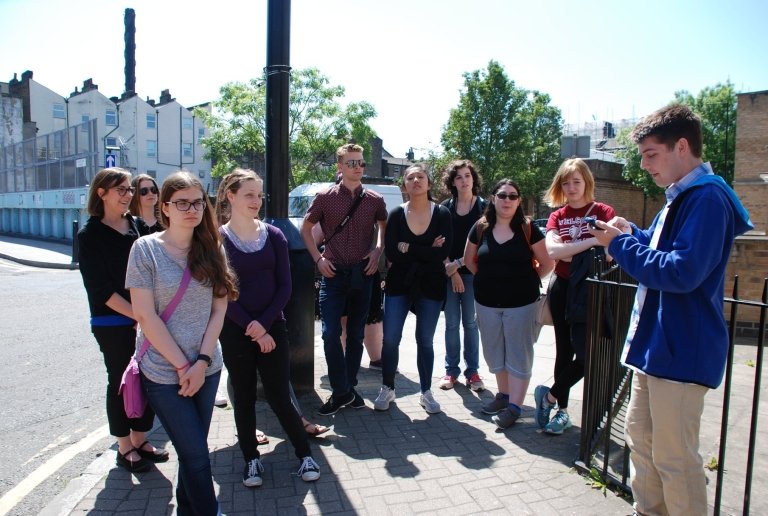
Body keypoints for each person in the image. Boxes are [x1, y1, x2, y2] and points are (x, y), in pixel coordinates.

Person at [590, 104, 752, 516]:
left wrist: (619, 245)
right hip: (659, 350)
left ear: (682, 146)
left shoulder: (708, 199)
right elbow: (667, 254)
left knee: (675, 459)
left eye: (650, 154)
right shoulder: (683, 197)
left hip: (681, 352)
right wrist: (634, 234)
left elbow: (682, 272)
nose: (643, 165)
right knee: (640, 440)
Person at [127, 171, 238, 516]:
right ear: (165, 207)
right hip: (163, 372)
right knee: (196, 455)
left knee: (193, 451)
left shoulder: (212, 247)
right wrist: (182, 366)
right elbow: (146, 315)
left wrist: (202, 361)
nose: (191, 209)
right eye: (182, 203)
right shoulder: (145, 250)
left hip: (207, 369)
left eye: (197, 203)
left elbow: (219, 308)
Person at [215, 168, 322, 487]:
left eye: (259, 194)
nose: (256, 201)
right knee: (244, 396)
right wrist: (251, 326)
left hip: (272, 327)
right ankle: (251, 460)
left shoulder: (273, 236)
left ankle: (304, 456)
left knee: (279, 395)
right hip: (235, 329)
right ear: (230, 196)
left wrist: (262, 326)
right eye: (249, 194)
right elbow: (222, 290)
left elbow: (284, 288)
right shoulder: (217, 239)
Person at [78, 167, 167, 473]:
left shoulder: (137, 226)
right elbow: (102, 291)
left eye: (130, 189)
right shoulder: (89, 235)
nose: (128, 195)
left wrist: (148, 316)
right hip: (113, 323)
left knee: (150, 378)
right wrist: (141, 316)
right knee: (121, 380)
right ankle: (124, 446)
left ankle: (140, 439)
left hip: (145, 319)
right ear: (101, 192)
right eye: (122, 190)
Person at [301, 143, 387, 416]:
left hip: (363, 274)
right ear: (340, 167)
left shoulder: (374, 199)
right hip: (334, 273)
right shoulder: (325, 197)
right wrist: (318, 259)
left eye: (360, 162)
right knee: (329, 334)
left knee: (356, 335)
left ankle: (348, 389)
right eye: (351, 163)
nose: (358, 167)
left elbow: (384, 226)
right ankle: (342, 391)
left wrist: (378, 250)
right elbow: (305, 229)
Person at [533, 158, 616, 435]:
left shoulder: (603, 211)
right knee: (563, 351)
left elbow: (610, 251)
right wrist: (593, 240)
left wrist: (575, 247)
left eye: (576, 181)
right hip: (562, 287)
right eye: (566, 182)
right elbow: (555, 252)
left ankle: (549, 396)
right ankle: (562, 412)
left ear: (587, 182)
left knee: (586, 353)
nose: (571, 187)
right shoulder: (558, 215)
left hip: (588, 288)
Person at [464, 180, 554, 428]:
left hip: (522, 304)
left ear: (519, 200)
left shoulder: (528, 229)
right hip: (486, 303)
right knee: (495, 351)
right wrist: (487, 279)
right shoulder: (480, 227)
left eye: (512, 196)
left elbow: (547, 264)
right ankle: (503, 396)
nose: (507, 200)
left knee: (518, 353)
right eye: (502, 195)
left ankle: (515, 406)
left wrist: (524, 281)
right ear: (493, 198)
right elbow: (469, 260)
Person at [373, 164, 452, 414]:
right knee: (391, 339)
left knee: (425, 341)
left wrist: (410, 247)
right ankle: (388, 387)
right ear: (404, 185)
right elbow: (393, 251)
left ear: (428, 183)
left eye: (421, 176)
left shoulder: (442, 214)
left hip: (431, 284)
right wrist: (428, 248)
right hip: (399, 284)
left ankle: (426, 392)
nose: (416, 180)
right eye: (410, 177)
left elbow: (444, 252)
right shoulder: (396, 214)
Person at [438, 159, 487, 392]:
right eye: (459, 177)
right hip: (448, 275)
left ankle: (473, 373)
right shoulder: (445, 208)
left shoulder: (484, 208)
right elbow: (439, 244)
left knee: (470, 323)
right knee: (450, 325)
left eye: (467, 175)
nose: (464, 180)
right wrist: (452, 270)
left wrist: (459, 265)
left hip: (474, 276)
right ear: (453, 182)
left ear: (473, 179)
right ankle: (451, 371)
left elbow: (486, 246)